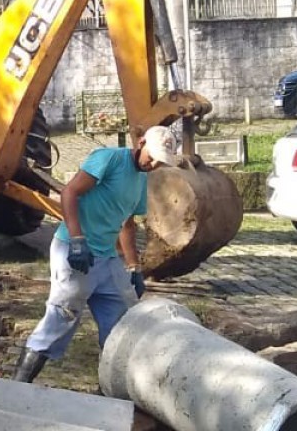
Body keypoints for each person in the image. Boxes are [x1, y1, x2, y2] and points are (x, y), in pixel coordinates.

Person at [13, 122, 185, 383]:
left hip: (106, 259)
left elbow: (126, 224)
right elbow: (70, 192)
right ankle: (18, 385)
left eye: (160, 162)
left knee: (124, 321)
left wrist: (133, 267)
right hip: (74, 252)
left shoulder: (140, 181)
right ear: (140, 145)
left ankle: (112, 388)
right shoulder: (109, 159)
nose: (153, 166)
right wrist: (77, 239)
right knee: (62, 317)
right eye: (152, 158)